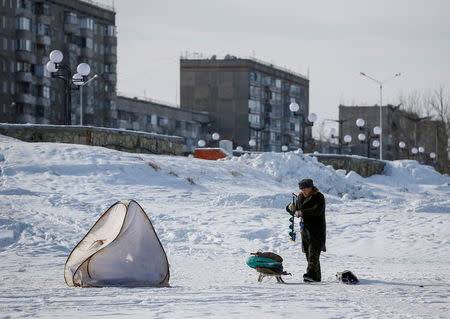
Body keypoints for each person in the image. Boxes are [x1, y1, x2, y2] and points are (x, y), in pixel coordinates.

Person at [286, 178, 326, 282]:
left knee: (314, 252)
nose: (303, 191)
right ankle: (316, 277)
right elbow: (296, 209)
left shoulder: (318, 196)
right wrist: (290, 207)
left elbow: (316, 210)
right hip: (305, 230)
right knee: (309, 254)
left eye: (305, 188)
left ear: (311, 187)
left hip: (316, 229)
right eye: (302, 189)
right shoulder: (300, 197)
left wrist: (301, 212)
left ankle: (310, 274)